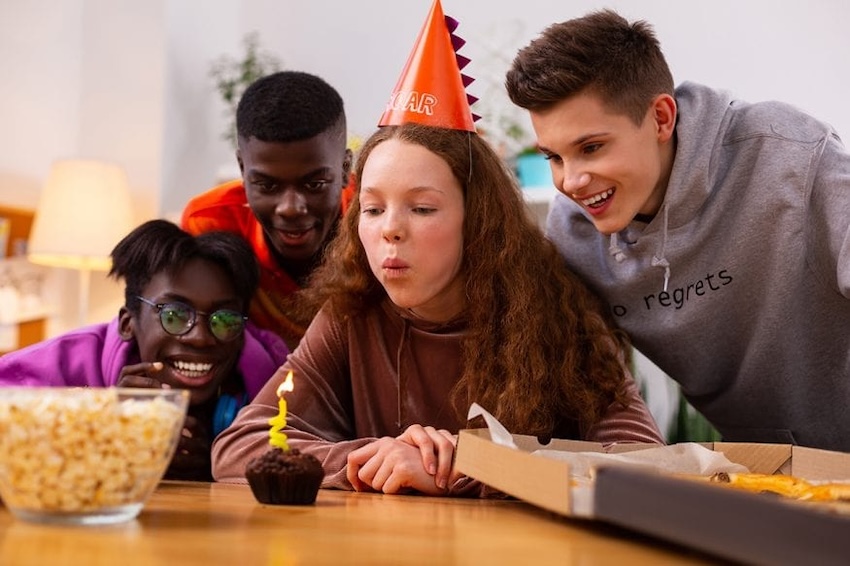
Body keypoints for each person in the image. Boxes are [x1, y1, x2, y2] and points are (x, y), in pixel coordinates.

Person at [211, 122, 664, 496]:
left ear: (479, 221)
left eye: (422, 208)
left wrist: (467, 467)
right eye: (372, 209)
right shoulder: (351, 313)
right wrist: (379, 459)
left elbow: (648, 465)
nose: (390, 230)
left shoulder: (557, 313)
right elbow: (240, 445)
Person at [504, 9, 850, 452]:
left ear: (661, 119)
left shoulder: (790, 156)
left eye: (591, 148)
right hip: (774, 475)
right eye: (554, 157)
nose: (570, 181)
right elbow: (587, 382)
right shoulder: (575, 237)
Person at [0, 220, 289, 481]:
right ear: (128, 323)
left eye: (224, 320)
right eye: (174, 315)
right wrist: (101, 430)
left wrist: (218, 464)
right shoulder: (64, 362)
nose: (201, 338)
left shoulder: (277, 376)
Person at [181, 70, 354, 349]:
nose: (290, 209)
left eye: (315, 184)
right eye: (267, 185)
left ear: (346, 168)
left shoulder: (377, 219)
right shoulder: (211, 221)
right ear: (242, 169)